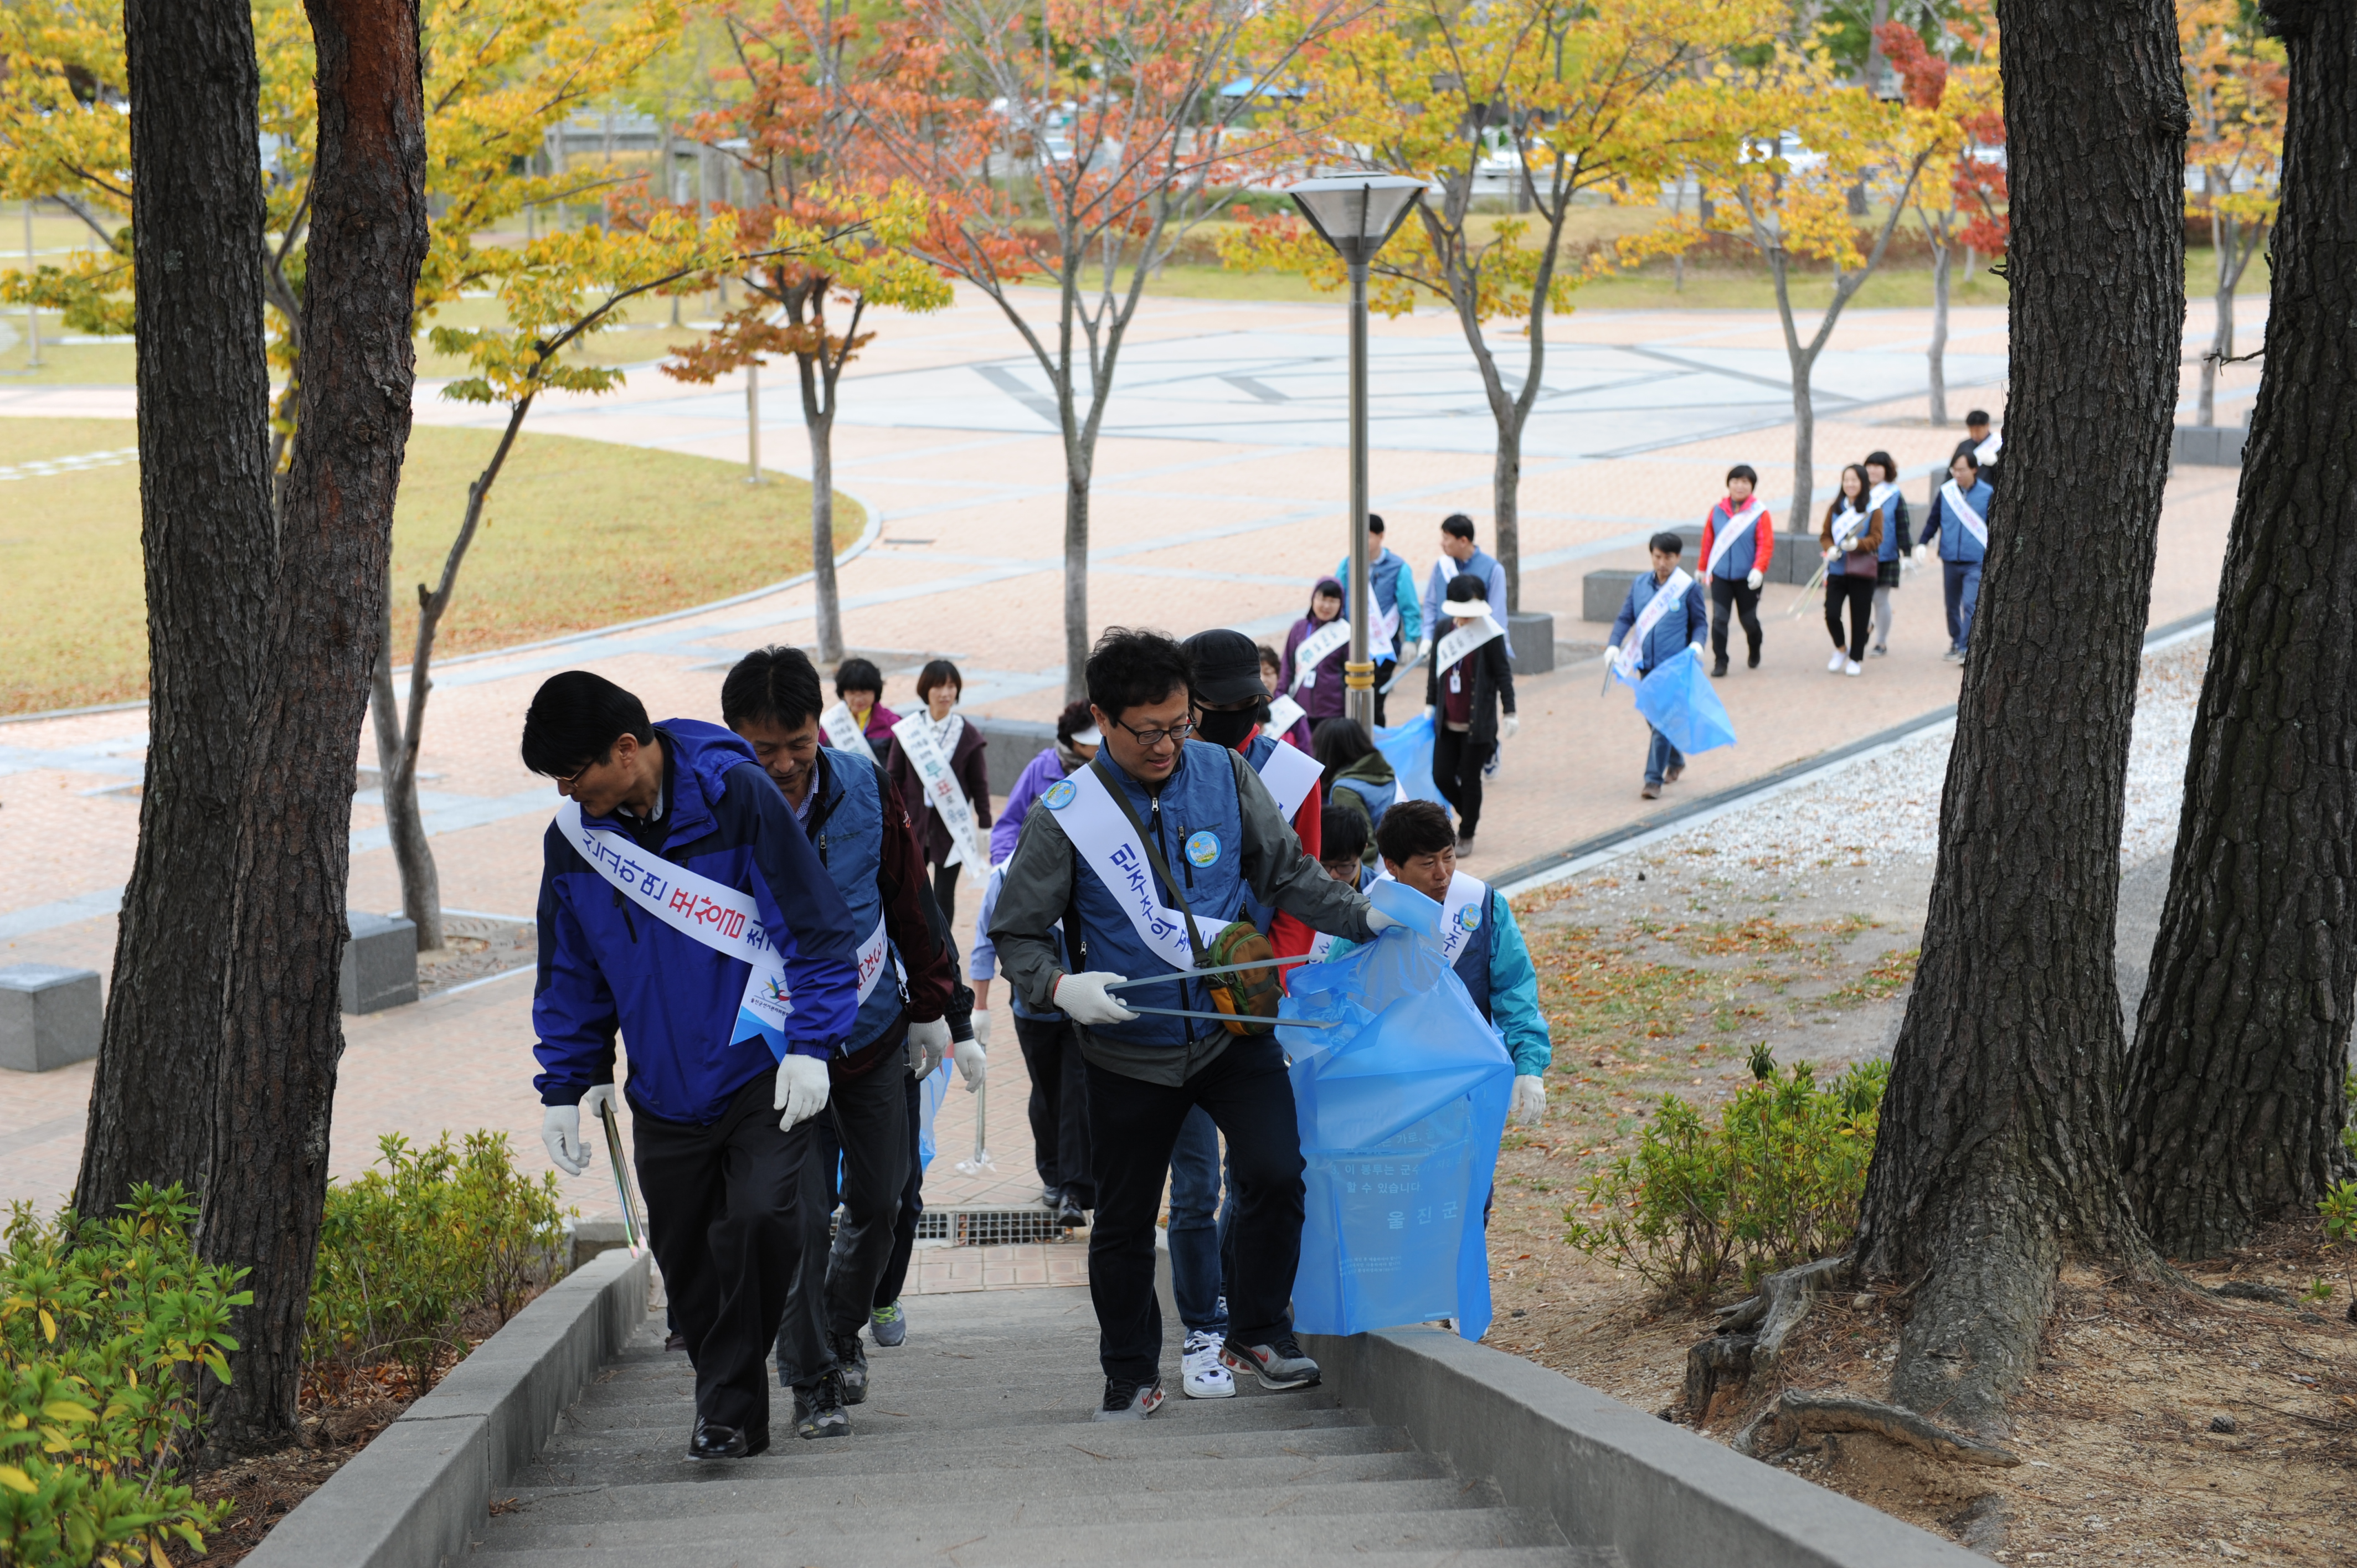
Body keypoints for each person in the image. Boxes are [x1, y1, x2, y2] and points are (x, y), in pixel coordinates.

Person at [989, 627, 1397, 1420]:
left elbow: (1287, 874)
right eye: (1149, 731)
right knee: (1125, 1222)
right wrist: (1059, 986)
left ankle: (1258, 1330)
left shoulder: (1223, 772)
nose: (1169, 745)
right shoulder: (1067, 815)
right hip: (1125, 1050)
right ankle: (1130, 1370)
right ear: (1103, 720)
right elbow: (1017, 931)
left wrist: (1362, 916)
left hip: (1227, 1034)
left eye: (1181, 724)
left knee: (1278, 1172)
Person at [525, 670, 862, 1461]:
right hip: (664, 1088)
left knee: (760, 1221)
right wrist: (567, 1086)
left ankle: (723, 1409)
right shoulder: (575, 843)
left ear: (626, 748)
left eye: (577, 775)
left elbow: (816, 932)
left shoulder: (736, 798)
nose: (570, 795)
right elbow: (571, 972)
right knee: (687, 1264)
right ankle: (732, 1419)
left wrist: (812, 1047)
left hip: (761, 1070)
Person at [717, 646, 974, 1438]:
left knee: (885, 1199)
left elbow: (909, 898)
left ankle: (835, 1330)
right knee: (798, 1216)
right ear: (735, 739)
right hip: (775, 1050)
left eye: (798, 743)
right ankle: (815, 1376)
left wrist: (939, 1005)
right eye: (766, 750)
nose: (787, 764)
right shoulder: (713, 809)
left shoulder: (866, 783)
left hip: (870, 1034)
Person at [1330, 799, 1549, 1134]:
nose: (1442, 874)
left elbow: (1514, 988)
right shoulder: (1364, 919)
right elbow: (1334, 998)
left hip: (1466, 1079)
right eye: (1427, 863)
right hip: (1390, 1088)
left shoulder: (1483, 906)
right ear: (1392, 866)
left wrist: (1529, 1065)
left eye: (1448, 857)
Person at [971, 859, 1089, 1226]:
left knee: (1077, 1093)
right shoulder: (1005, 878)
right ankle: (1052, 1173)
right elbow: (984, 943)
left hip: (1081, 1006)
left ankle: (1074, 1188)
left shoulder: (1084, 867)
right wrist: (980, 1006)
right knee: (1046, 1093)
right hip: (1031, 1009)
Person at [886, 658, 991, 920]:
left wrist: (986, 824)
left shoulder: (967, 733)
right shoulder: (909, 731)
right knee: (912, 890)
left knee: (944, 895)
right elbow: (893, 779)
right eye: (938, 687)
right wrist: (891, 818)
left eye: (951, 687)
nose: (945, 694)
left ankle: (946, 953)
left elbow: (979, 783)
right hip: (914, 824)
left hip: (951, 827)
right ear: (925, 690)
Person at [1608, 532, 1708, 801]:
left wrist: (1698, 645)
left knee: (1663, 721)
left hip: (1674, 668)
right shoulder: (1640, 584)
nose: (1662, 563)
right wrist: (1613, 645)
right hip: (1646, 666)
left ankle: (1653, 780)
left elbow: (1700, 623)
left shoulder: (1688, 588)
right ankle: (1675, 760)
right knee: (1654, 720)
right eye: (1657, 557)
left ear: (1678, 557)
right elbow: (1625, 617)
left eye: (1668, 557)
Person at [1425, 574, 1516, 856]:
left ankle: (1467, 833)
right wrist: (1430, 702)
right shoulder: (1443, 629)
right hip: (1447, 721)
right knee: (1441, 775)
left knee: (1470, 776)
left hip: (1478, 724)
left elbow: (1504, 674)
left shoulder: (1490, 634)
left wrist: (1510, 711)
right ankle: (1469, 814)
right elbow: (1435, 671)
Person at [1335, 514, 1423, 726]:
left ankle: (1374, 744)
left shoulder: (1398, 567)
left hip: (1384, 648)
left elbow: (1409, 606)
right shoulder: (1348, 565)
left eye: (1367, 537)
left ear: (1381, 536)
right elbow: (1338, 596)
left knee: (1375, 703)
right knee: (1348, 701)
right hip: (1352, 645)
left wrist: (1411, 638)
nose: (1361, 542)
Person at [991, 702, 1099, 864]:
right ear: (1077, 742)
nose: (1102, 746)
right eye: (1096, 743)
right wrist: (1003, 864)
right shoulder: (1042, 767)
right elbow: (1011, 820)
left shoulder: (1106, 770)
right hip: (1041, 866)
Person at [1916, 450, 1994, 662]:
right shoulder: (1947, 492)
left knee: (1970, 603)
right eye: (1954, 470)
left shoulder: (1988, 493)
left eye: (1962, 469)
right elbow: (1934, 520)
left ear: (1974, 469)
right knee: (1951, 605)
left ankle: (1965, 645)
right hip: (1950, 557)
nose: (1957, 474)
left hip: (1975, 558)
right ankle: (1955, 640)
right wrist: (1922, 542)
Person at [1699, 462, 1774, 677]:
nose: (1739, 486)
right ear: (1728, 484)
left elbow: (1765, 544)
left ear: (1752, 486)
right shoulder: (1717, 511)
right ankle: (1720, 661)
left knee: (1748, 620)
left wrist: (1759, 569)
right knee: (1720, 618)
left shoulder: (1759, 513)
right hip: (1721, 576)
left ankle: (1755, 648)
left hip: (1747, 577)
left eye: (1745, 482)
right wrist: (1702, 568)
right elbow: (1708, 541)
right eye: (1735, 481)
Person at [1419, 514, 1514, 660]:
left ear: (1463, 541)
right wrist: (1427, 637)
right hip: (1447, 648)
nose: (1442, 543)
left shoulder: (1493, 569)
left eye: (1446, 538)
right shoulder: (1441, 566)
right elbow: (1431, 604)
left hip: (1478, 649)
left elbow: (1497, 614)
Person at [1819, 465, 1882, 677]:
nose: (1850, 484)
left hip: (1862, 571)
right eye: (1847, 480)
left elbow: (1877, 538)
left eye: (1855, 480)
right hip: (1837, 569)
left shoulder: (1874, 509)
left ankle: (1856, 657)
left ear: (1863, 483)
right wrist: (1830, 549)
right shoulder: (1835, 508)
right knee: (1832, 613)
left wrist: (1858, 544)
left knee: (1860, 615)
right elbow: (1825, 535)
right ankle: (1841, 649)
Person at [1313, 715, 1397, 868]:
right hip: (1396, 861)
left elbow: (1364, 845)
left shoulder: (1345, 790)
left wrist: (1360, 885)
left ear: (1327, 751)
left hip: (1374, 873)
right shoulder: (1384, 772)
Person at [1279, 577, 1352, 728]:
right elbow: (1287, 668)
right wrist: (1280, 697)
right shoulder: (1299, 628)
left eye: (1333, 601)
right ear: (1313, 598)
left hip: (1333, 713)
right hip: (1300, 711)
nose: (1326, 606)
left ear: (1341, 603)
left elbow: (1350, 676)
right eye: (1323, 599)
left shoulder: (1346, 633)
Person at [1863, 450, 1913, 658]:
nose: (1873, 470)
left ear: (1887, 470)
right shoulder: (1857, 491)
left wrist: (1907, 553)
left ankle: (1881, 642)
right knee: (1862, 598)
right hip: (1861, 553)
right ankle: (1865, 627)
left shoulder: (1893, 495)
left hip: (1886, 555)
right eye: (1870, 465)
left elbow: (1903, 525)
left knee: (1880, 598)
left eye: (1878, 466)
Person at [831, 658, 899, 757]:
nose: (859, 699)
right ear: (843, 693)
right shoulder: (831, 724)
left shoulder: (892, 724)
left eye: (865, 692)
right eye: (852, 693)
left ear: (876, 691)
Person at [1258, 642, 1313, 751]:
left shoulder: (1292, 711)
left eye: (1268, 673)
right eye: (1257, 675)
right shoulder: (1242, 710)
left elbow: (1307, 750)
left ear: (1278, 676)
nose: (1263, 680)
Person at [1953, 409, 2003, 491]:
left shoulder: (1999, 445)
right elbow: (1952, 470)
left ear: (1987, 426)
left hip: (1989, 493)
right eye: (1971, 430)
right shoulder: (1963, 446)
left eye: (1978, 430)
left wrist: (1995, 464)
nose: (1974, 434)